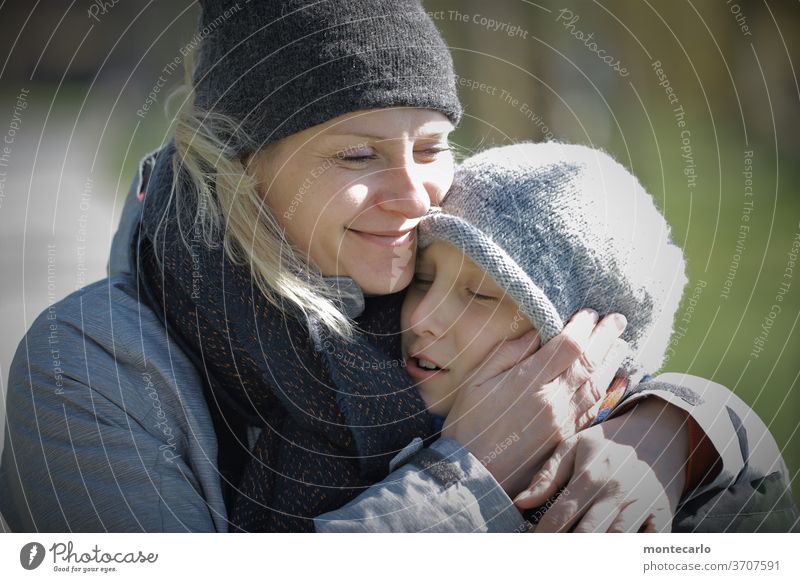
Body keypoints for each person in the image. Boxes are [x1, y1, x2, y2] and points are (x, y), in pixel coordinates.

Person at [0, 0, 789, 533]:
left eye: (432, 145)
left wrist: (677, 429)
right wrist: (473, 470)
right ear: (239, 164)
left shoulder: (436, 272)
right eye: (356, 153)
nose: (416, 195)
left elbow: (614, 349)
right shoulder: (85, 370)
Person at [395, 142, 797, 531]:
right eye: (422, 278)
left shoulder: (655, 510)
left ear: (588, 343)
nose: (421, 316)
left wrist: (682, 427)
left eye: (480, 295)